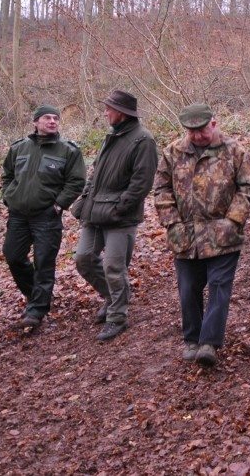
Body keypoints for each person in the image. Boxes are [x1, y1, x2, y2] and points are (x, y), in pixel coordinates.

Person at [153, 104, 250, 367]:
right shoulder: (173, 152)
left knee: (219, 287)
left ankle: (209, 342)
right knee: (188, 288)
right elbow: (162, 189)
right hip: (185, 236)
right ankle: (192, 338)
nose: (197, 136)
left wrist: (233, 221)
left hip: (223, 234)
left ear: (213, 123)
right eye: (192, 131)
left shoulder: (234, 151)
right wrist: (172, 223)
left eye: (201, 130)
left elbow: (248, 188)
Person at [72, 90, 158, 342]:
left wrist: (119, 208)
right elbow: (95, 174)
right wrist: (85, 199)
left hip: (121, 217)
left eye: (109, 108)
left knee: (113, 266)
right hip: (94, 212)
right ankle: (111, 297)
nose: (105, 112)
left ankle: (117, 316)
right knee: (83, 259)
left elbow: (142, 183)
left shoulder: (143, 140)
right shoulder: (111, 135)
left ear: (121, 112)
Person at [1, 105, 86, 329]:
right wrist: (8, 197)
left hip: (46, 216)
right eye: (47, 118)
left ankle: (37, 310)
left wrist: (59, 206)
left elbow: (76, 182)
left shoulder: (68, 151)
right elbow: (7, 175)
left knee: (44, 262)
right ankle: (37, 297)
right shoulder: (19, 148)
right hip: (18, 215)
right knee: (13, 256)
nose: (52, 121)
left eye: (55, 118)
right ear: (35, 122)